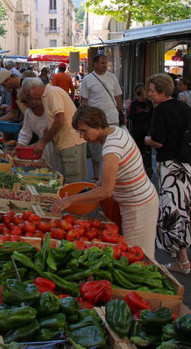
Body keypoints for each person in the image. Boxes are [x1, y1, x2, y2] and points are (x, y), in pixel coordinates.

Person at [51, 106, 159, 258]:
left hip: (138, 205)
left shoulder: (112, 147)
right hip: (135, 201)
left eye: (84, 131)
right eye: (79, 131)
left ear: (98, 126)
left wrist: (69, 200)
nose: (82, 136)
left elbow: (106, 191)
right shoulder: (115, 130)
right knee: (133, 253)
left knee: (138, 257)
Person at [144, 73, 191, 274]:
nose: (149, 94)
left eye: (152, 91)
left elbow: (158, 141)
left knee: (172, 212)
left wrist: (146, 140)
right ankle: (177, 252)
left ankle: (183, 261)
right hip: (189, 166)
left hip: (172, 168)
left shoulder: (161, 111)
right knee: (182, 209)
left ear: (161, 92)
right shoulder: (186, 109)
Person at [21, 77, 87, 183]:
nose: (30, 98)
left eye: (28, 95)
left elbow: (60, 120)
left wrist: (43, 141)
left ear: (33, 89)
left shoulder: (52, 93)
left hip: (71, 143)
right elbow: (58, 119)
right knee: (64, 179)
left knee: (73, 181)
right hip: (65, 144)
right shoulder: (47, 96)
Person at [80, 54, 124, 182]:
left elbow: (117, 97)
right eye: (102, 63)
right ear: (95, 64)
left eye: (106, 63)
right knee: (96, 151)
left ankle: (113, 176)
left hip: (112, 118)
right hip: (96, 121)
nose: (105, 65)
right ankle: (96, 176)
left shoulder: (112, 77)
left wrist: (122, 113)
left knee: (114, 149)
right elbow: (84, 101)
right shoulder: (87, 79)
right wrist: (85, 119)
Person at [16, 90, 63, 173]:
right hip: (42, 147)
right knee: (45, 170)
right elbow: (25, 132)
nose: (24, 105)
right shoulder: (28, 113)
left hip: (57, 144)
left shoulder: (49, 108)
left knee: (58, 170)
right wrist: (19, 148)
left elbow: (58, 123)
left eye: (25, 101)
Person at [126, 83, 154, 177]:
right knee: (147, 150)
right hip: (148, 130)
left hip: (137, 130)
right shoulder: (149, 103)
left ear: (135, 92)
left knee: (138, 150)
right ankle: (148, 166)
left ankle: (139, 169)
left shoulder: (133, 103)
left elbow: (130, 116)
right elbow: (153, 116)